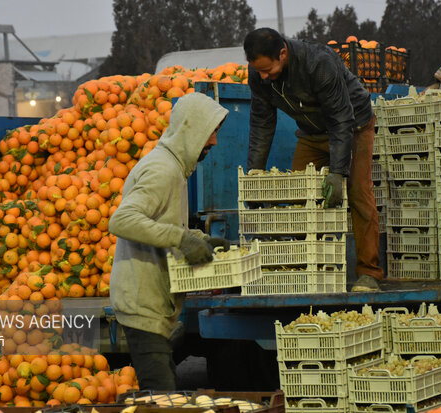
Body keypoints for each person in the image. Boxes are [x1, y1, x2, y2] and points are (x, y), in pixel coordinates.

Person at [243, 27, 383, 292]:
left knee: (357, 193)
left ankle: (369, 273)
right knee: (299, 196)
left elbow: (341, 118)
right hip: (311, 131)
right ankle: (305, 268)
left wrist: (338, 172)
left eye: (267, 70)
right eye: (257, 71)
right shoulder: (258, 76)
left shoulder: (318, 62)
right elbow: (261, 123)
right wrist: (254, 174)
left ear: (282, 54)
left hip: (352, 126)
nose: (263, 77)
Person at [109, 92, 229, 390]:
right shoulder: (163, 170)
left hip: (152, 306)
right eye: (211, 132)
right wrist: (180, 238)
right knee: (163, 399)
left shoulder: (172, 167)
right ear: (192, 128)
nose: (214, 142)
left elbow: (160, 223)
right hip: (142, 308)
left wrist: (196, 238)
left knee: (167, 393)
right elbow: (121, 220)